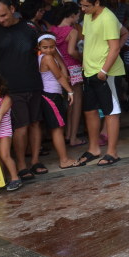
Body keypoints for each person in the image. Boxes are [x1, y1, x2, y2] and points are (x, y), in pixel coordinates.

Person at [0, 0, 46, 181]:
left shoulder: (29, 27)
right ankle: (21, 165)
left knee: (35, 123)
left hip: (33, 83)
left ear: (12, 9)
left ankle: (35, 161)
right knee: (21, 127)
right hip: (9, 89)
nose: (0, 20)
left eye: (3, 15)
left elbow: (42, 51)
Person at [76, 0, 125, 167]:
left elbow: (115, 47)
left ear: (97, 3)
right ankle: (94, 148)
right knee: (90, 110)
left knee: (111, 112)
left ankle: (112, 152)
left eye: (86, 6)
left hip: (106, 73)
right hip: (89, 71)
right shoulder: (88, 16)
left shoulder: (108, 18)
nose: (83, 9)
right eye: (81, 5)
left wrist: (103, 71)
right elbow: (88, 41)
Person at [36, 34, 77, 169]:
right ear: (39, 47)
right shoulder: (47, 58)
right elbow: (59, 76)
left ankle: (64, 158)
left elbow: (62, 70)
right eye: (45, 47)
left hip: (52, 95)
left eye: (52, 47)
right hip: (51, 95)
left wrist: (56, 54)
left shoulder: (49, 56)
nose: (49, 50)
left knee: (57, 128)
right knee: (57, 129)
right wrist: (70, 91)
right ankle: (64, 160)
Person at [49, 2, 85, 147]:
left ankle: (67, 133)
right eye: (78, 14)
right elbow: (71, 51)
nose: (78, 17)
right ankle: (73, 137)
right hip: (73, 67)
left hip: (58, 68)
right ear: (72, 15)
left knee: (67, 102)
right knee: (76, 103)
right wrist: (83, 58)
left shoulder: (52, 30)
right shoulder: (72, 31)